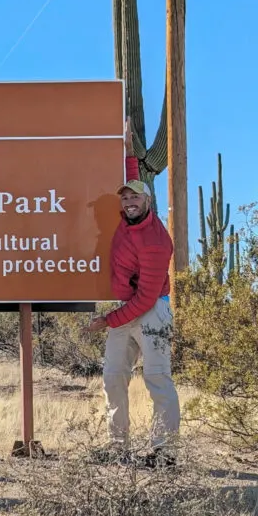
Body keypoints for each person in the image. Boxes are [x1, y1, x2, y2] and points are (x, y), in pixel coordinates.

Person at [86, 119, 180, 467]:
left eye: (135, 197)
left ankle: (164, 452)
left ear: (148, 200)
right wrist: (128, 147)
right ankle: (117, 448)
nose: (128, 201)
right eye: (124, 197)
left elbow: (145, 298)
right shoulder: (125, 218)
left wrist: (106, 321)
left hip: (153, 308)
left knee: (157, 378)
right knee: (113, 376)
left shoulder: (156, 241)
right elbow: (131, 175)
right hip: (128, 305)